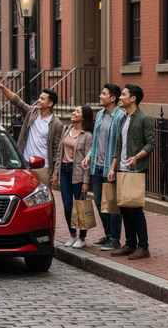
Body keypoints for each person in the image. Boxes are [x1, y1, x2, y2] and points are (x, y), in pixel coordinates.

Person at [108, 84, 155, 260]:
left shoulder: (144, 119)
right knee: (124, 210)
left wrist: (137, 156)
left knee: (135, 209)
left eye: (123, 94)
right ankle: (130, 244)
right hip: (121, 169)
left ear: (133, 98)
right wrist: (112, 169)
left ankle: (143, 247)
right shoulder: (123, 119)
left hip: (136, 169)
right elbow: (118, 146)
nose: (120, 97)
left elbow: (151, 144)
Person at [0, 78, 63, 189]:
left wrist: (55, 172)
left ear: (50, 103)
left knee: (43, 196)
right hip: (25, 163)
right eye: (39, 97)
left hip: (44, 167)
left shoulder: (56, 124)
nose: (38, 100)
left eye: (42, 99)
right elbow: (17, 102)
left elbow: (57, 150)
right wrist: (3, 88)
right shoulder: (32, 112)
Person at [81, 84, 125, 251]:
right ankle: (107, 235)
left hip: (110, 167)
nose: (100, 96)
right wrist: (89, 155)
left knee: (113, 204)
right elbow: (96, 140)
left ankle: (114, 239)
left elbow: (118, 145)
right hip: (97, 166)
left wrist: (113, 167)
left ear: (113, 98)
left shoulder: (120, 116)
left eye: (104, 94)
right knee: (99, 203)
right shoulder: (99, 115)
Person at [52, 104, 93, 249]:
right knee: (67, 206)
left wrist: (86, 182)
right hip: (64, 171)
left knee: (81, 206)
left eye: (77, 111)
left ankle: (82, 238)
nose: (74, 113)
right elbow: (59, 152)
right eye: (74, 110)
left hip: (78, 174)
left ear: (84, 116)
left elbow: (88, 160)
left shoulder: (87, 135)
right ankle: (73, 235)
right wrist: (56, 172)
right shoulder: (66, 129)